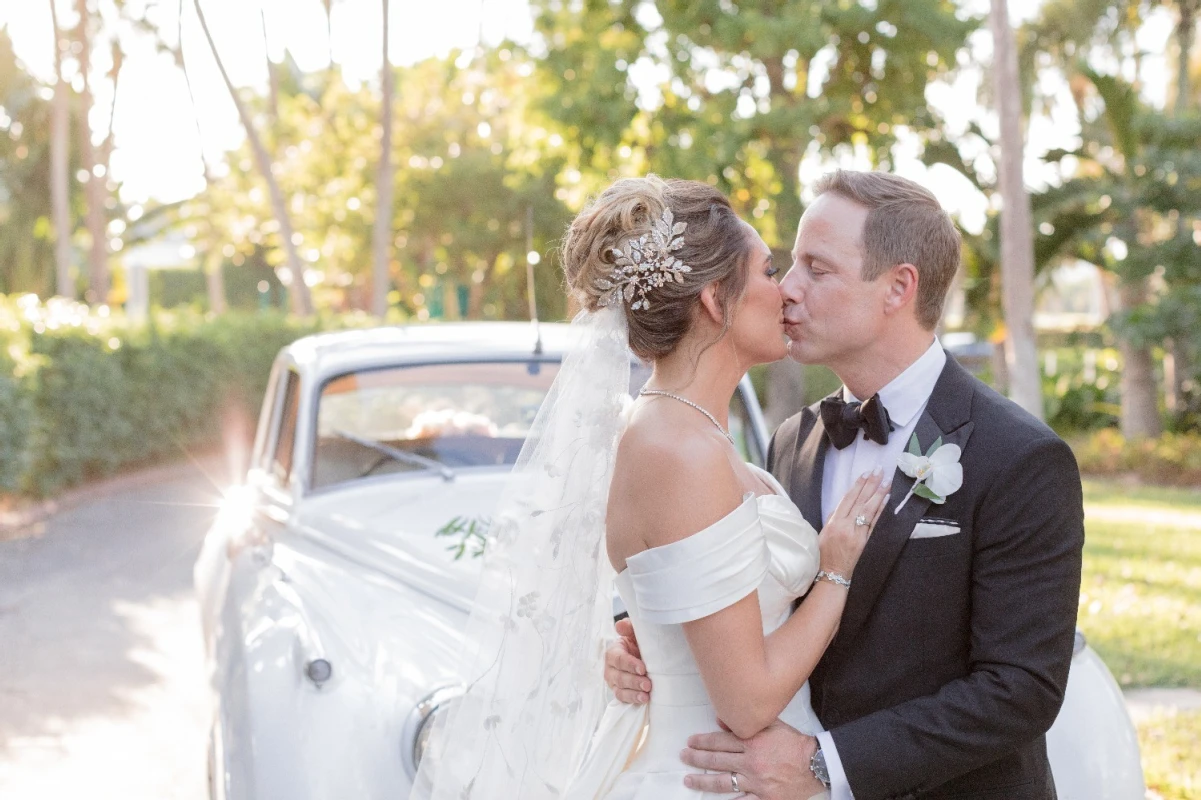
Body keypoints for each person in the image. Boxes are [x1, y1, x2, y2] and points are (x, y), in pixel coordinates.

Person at [604, 170, 1086, 800]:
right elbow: (731, 586)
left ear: (898, 287)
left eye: (817, 268)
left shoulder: (1022, 459)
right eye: (785, 267)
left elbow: (1021, 689)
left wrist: (826, 764)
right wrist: (642, 640)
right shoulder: (791, 440)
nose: (788, 291)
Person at [412, 176, 890, 800]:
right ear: (717, 298)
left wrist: (627, 642)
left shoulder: (688, 435)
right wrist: (835, 571)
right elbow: (746, 704)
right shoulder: (677, 450)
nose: (788, 291)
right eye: (770, 271)